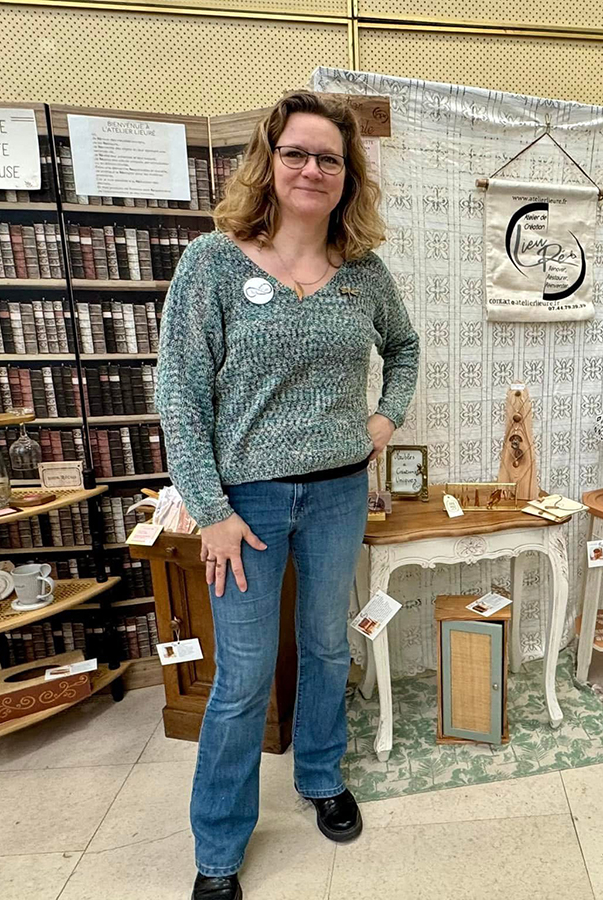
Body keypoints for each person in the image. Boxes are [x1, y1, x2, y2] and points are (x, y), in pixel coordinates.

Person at [156, 90, 419, 900]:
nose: (312, 169)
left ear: (348, 174)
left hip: (339, 496)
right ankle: (218, 848)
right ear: (268, 162)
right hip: (247, 506)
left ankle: (320, 775)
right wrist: (211, 511)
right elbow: (179, 394)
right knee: (242, 677)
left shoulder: (362, 273)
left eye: (329, 158)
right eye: (297, 153)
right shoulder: (213, 263)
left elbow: (404, 348)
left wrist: (383, 422)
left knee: (328, 646)